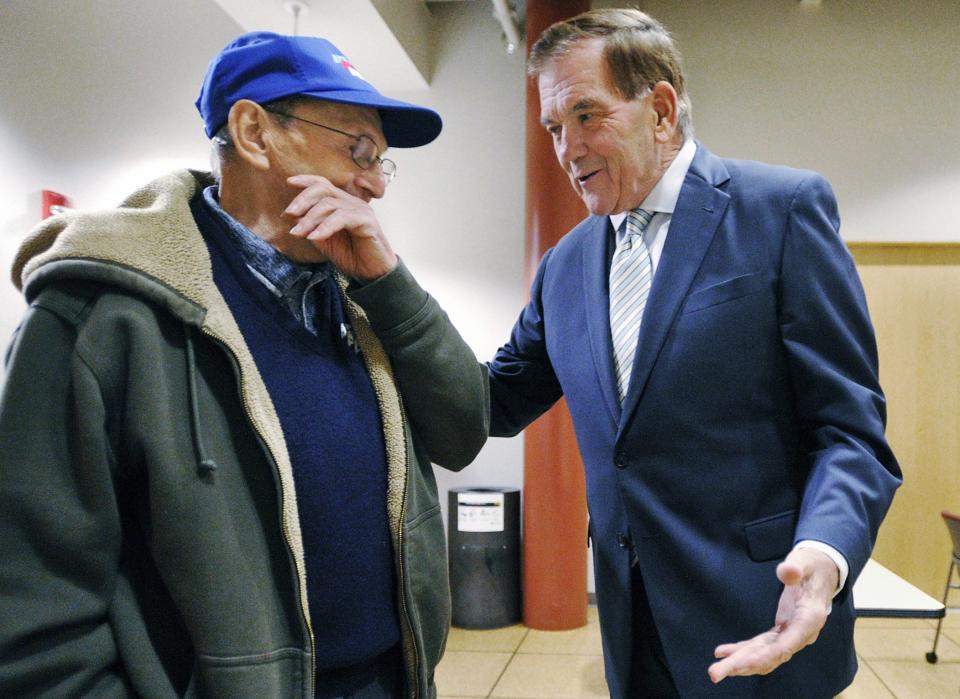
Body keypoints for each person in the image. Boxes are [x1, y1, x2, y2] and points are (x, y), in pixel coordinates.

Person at [0, 31, 488, 698]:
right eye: (358, 149)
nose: (374, 181)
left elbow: (465, 430)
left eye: (382, 161)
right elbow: (35, 613)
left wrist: (393, 287)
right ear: (255, 132)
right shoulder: (98, 314)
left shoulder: (361, 293)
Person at [486, 9, 901, 698]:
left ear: (661, 107)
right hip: (633, 632)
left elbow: (850, 431)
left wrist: (826, 557)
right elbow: (495, 401)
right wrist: (380, 292)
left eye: (587, 116)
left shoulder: (780, 210)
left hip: (765, 618)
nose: (567, 148)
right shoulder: (566, 264)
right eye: (555, 128)